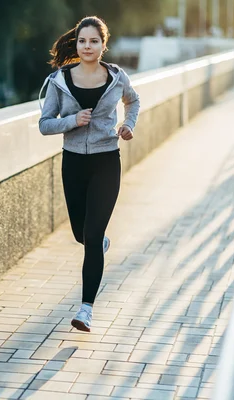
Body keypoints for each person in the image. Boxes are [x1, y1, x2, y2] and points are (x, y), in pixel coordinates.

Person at [38, 16, 140, 332]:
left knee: (92, 238)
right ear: (77, 44)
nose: (87, 46)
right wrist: (72, 121)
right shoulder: (58, 81)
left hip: (106, 161)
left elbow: (133, 102)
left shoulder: (117, 77)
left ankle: (86, 309)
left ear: (102, 44)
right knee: (81, 235)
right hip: (73, 164)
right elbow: (44, 124)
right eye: (83, 41)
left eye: (94, 41)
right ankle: (97, 241)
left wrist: (127, 125)